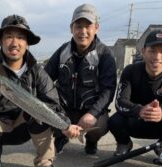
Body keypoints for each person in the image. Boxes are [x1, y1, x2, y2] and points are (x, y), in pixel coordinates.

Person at [0, 15, 81, 167]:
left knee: (38, 110)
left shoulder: (37, 71)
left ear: (27, 43)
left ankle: (45, 162)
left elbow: (53, 103)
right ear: (0, 41)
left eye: (21, 37)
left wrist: (65, 125)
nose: (15, 43)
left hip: (25, 126)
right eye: (9, 37)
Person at [109, 29, 162, 164]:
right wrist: (139, 110)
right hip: (136, 120)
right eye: (152, 50)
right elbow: (120, 101)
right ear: (143, 51)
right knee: (114, 121)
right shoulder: (130, 70)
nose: (157, 57)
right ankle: (124, 143)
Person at [45, 4, 117, 155]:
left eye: (88, 26)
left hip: (90, 109)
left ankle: (91, 140)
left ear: (96, 28)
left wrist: (93, 113)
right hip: (64, 108)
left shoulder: (105, 54)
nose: (83, 31)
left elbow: (108, 90)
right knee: (44, 115)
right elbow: (45, 79)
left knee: (101, 126)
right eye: (78, 26)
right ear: (71, 28)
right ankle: (60, 137)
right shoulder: (62, 51)